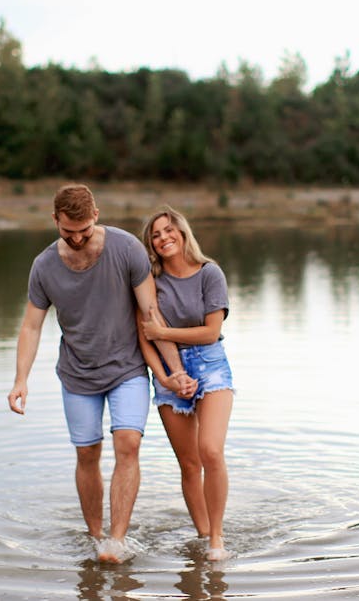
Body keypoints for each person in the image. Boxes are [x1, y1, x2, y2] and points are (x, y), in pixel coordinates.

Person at [7, 184, 195, 564]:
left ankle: (116, 540)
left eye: (83, 230)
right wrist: (20, 379)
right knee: (87, 453)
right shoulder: (44, 266)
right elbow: (31, 326)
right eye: (67, 232)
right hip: (77, 374)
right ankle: (95, 537)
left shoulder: (126, 249)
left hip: (126, 367)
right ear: (55, 220)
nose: (76, 239)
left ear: (95, 215)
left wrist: (174, 372)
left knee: (128, 444)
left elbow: (151, 315)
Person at [137, 206, 235, 561]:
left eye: (168, 231)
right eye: (155, 235)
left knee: (211, 450)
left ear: (182, 232)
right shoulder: (149, 281)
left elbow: (211, 332)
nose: (163, 238)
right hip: (167, 373)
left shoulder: (210, 274)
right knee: (190, 464)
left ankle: (217, 540)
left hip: (211, 367)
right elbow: (143, 337)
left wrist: (164, 331)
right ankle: (204, 533)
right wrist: (164, 377)